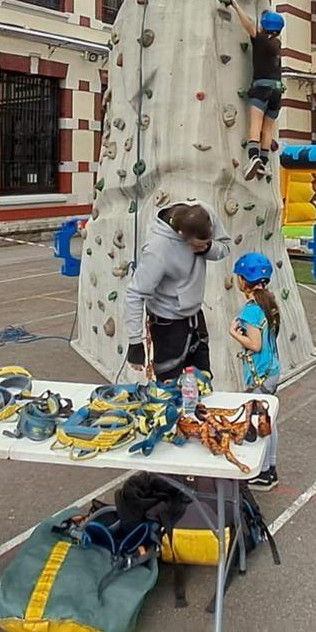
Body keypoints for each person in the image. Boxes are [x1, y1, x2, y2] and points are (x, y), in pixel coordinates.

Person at [125, 201, 231, 381]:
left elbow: (224, 247)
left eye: (204, 244)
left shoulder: (205, 213)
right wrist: (135, 342)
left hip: (195, 318)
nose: (200, 249)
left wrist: (207, 248)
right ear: (181, 235)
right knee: (169, 387)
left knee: (202, 381)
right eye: (196, 245)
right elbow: (135, 294)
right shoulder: (158, 249)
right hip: (167, 324)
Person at [228, 252, 281, 492]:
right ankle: (270, 468)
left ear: (243, 280)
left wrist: (235, 334)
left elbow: (255, 344)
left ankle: (265, 472)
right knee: (268, 420)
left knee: (261, 422)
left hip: (260, 373)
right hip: (272, 369)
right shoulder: (268, 301)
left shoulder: (250, 310)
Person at [223, 0, 283, 179]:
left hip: (261, 87)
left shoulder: (261, 40)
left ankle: (253, 157)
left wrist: (235, 4)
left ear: (264, 27)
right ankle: (264, 163)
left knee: (255, 124)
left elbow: (247, 23)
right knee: (268, 128)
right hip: (277, 91)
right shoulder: (276, 44)